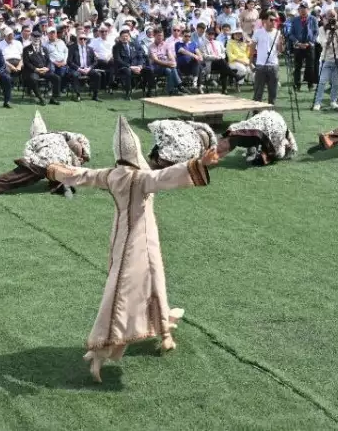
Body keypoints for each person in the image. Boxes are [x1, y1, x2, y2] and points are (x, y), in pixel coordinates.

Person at [47, 116, 222, 382]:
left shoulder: (109, 175)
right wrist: (199, 163)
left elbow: (78, 175)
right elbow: (165, 176)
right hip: (136, 241)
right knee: (122, 291)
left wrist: (52, 168)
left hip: (128, 235)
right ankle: (100, 348)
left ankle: (163, 330)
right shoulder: (139, 178)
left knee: (153, 280)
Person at [0, 111, 90, 198]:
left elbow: (28, 157)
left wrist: (25, 163)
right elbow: (82, 137)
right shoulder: (59, 134)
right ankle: (62, 183)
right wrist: (85, 155)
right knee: (75, 145)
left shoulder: (32, 141)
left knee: (17, 177)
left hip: (45, 164)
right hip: (67, 165)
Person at [222, 109, 298, 165]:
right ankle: (252, 151)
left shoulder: (280, 151)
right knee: (256, 132)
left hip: (271, 122)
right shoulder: (283, 135)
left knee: (257, 133)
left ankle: (253, 152)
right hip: (270, 122)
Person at [148, 119, 231, 167]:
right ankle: (160, 158)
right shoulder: (203, 138)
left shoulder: (196, 150)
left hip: (193, 142)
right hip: (193, 138)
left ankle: (160, 158)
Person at [282, 7, 315, 94]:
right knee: (297, 67)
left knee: (310, 67)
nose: (303, 11)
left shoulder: (313, 19)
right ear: (299, 11)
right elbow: (290, 34)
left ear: (308, 10)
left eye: (305, 9)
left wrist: (310, 42)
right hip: (298, 46)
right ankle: (297, 85)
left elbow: (316, 32)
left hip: (309, 46)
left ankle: (310, 85)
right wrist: (297, 42)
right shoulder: (295, 20)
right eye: (301, 9)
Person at [113, 27, 151, 98]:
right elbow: (118, 60)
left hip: (136, 67)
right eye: (123, 36)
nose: (125, 38)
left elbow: (141, 56)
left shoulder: (134, 45)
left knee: (149, 70)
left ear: (129, 37)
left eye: (126, 36)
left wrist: (140, 66)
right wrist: (130, 67)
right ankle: (128, 93)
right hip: (123, 68)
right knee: (128, 71)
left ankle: (148, 91)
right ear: (120, 38)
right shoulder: (116, 47)